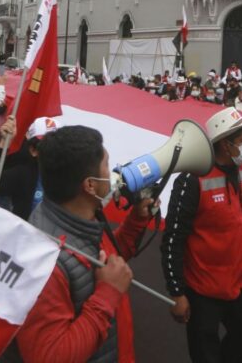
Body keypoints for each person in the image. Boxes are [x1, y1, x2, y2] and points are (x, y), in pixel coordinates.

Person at [15, 126, 153, 362]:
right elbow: (49, 356)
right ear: (90, 185)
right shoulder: (45, 260)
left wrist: (137, 221)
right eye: (107, 167)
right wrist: (108, 294)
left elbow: (110, 263)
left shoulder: (82, 216)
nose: (112, 176)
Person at [162, 107, 242, 363]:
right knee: (205, 353)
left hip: (238, 282)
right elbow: (172, 238)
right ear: (225, 146)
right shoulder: (192, 180)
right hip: (202, 290)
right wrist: (177, 292)